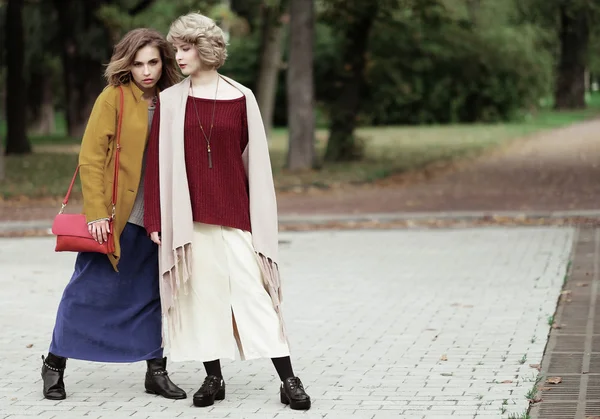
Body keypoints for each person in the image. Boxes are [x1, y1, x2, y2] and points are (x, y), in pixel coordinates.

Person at [143, 12, 311, 411]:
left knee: (256, 298)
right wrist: (155, 221)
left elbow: (256, 164)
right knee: (203, 300)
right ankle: (213, 377)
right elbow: (156, 166)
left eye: (185, 49)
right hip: (189, 219)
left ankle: (289, 380)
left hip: (236, 217)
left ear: (204, 49)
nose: (178, 57)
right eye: (176, 49)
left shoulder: (241, 98)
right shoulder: (169, 101)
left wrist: (259, 220)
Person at [41, 28, 186, 402]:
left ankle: (156, 370)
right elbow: (90, 159)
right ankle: (55, 363)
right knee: (87, 291)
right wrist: (95, 214)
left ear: (164, 62)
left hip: (156, 217)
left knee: (152, 293)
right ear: (127, 64)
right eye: (138, 63)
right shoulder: (114, 98)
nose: (146, 71)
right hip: (114, 216)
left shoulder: (175, 100)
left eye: (153, 62)